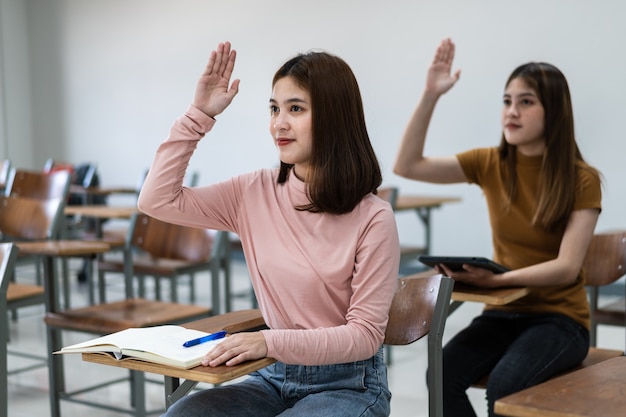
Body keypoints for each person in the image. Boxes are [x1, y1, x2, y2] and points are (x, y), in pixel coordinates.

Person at [137, 42, 400, 417]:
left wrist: (267, 341)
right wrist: (199, 115)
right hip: (272, 377)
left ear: (334, 117)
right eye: (274, 108)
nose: (279, 123)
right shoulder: (252, 192)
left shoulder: (374, 217)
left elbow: (365, 336)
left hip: (349, 385)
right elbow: (156, 201)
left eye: (296, 109)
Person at [393, 38, 601, 417]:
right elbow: (407, 165)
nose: (511, 111)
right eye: (507, 101)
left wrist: (497, 280)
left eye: (526, 101)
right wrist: (430, 95)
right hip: (503, 312)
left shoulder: (582, 179)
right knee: (440, 373)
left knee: (506, 386)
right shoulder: (490, 163)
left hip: (561, 319)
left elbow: (568, 267)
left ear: (554, 112)